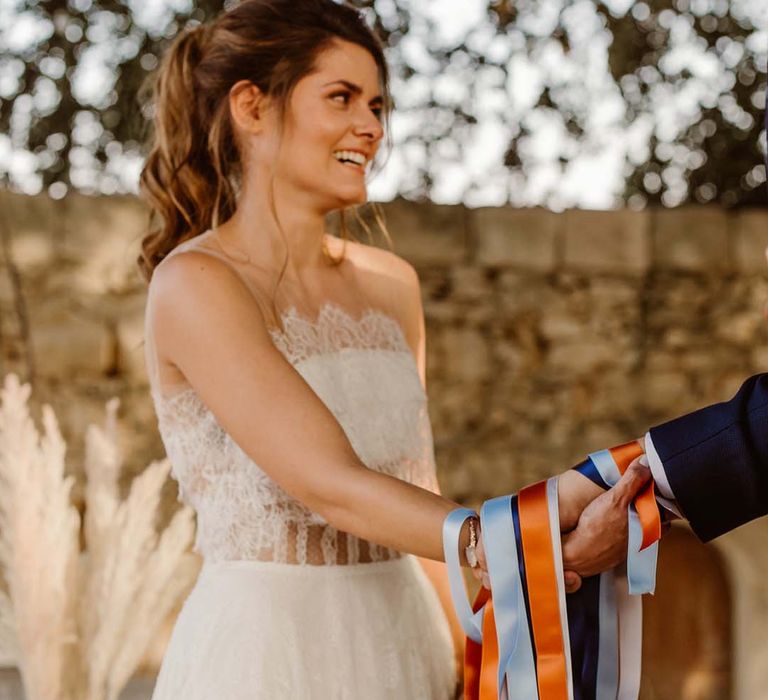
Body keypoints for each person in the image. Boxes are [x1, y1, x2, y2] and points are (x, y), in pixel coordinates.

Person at [138, 1, 601, 696]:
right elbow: (331, 484)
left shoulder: (393, 287)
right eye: (342, 98)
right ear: (251, 108)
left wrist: (474, 656)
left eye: (379, 105)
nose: (372, 127)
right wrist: (507, 541)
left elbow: (417, 491)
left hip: (402, 639)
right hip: (268, 654)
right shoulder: (195, 285)